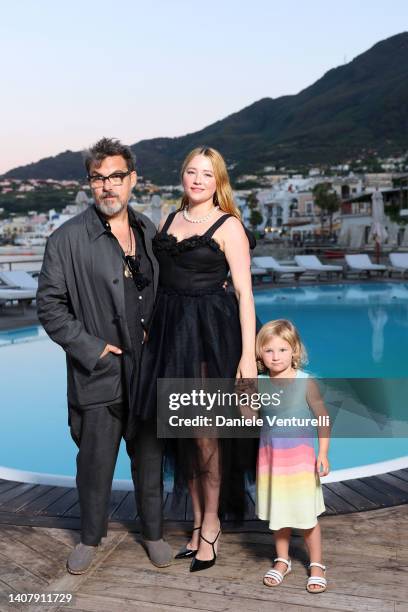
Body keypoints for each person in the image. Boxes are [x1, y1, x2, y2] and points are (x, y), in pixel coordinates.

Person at [36, 137, 172, 573]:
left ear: (132, 179)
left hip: (148, 370)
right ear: (89, 184)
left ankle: (153, 534)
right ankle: (90, 538)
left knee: (150, 459)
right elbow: (49, 306)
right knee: (94, 462)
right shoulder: (66, 239)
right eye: (98, 178)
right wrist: (93, 349)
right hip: (100, 372)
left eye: (116, 176)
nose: (107, 186)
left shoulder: (149, 230)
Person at [134, 146, 258, 572]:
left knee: (206, 435)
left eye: (207, 173)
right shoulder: (168, 221)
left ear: (218, 180)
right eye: (192, 171)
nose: (198, 179)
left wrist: (248, 357)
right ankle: (194, 520)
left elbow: (244, 294)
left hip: (209, 337)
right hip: (170, 337)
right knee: (183, 434)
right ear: (182, 176)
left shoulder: (229, 226)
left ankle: (212, 522)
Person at [255, 319, 330, 593]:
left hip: (299, 467)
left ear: (294, 350)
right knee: (280, 515)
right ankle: (282, 559)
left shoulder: (305, 382)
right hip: (272, 465)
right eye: (269, 351)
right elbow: (250, 419)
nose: (276, 357)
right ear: (260, 354)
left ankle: (317, 564)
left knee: (307, 518)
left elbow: (322, 417)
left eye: (282, 350)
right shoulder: (259, 384)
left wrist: (323, 452)